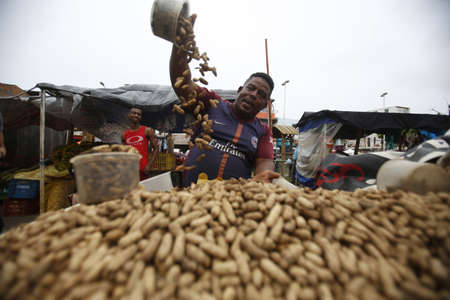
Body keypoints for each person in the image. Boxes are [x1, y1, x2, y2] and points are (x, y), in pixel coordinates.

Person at [170, 45, 279, 186]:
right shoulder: (212, 103)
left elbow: (265, 161)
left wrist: (264, 175)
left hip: (232, 200)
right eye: (250, 88)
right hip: (191, 195)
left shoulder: (262, 131)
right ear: (239, 90)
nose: (253, 95)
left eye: (261, 95)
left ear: (265, 103)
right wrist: (180, 44)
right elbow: (182, 83)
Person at [122, 107, 159, 180]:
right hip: (129, 170)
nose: (136, 115)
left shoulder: (147, 130)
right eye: (134, 113)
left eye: (139, 114)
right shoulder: (124, 135)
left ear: (140, 117)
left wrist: (149, 165)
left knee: (141, 190)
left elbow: (156, 149)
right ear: (129, 115)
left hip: (143, 169)